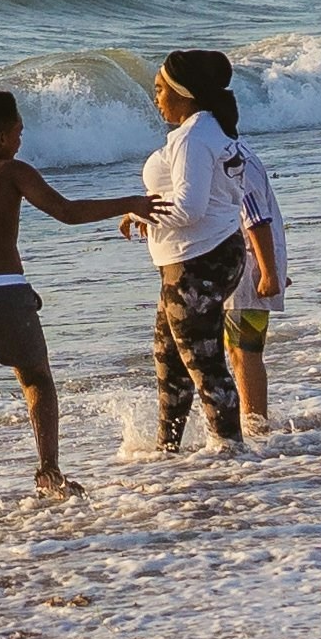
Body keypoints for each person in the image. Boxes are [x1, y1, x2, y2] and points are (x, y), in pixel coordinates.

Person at [0, 90, 138, 503]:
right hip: (4, 291)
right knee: (37, 380)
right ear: (2, 137)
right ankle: (49, 473)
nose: (22, 139)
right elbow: (67, 211)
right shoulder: (11, 171)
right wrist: (130, 202)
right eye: (19, 132)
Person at [128, 60, 263, 451]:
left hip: (198, 260)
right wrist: (145, 209)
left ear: (184, 92)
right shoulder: (208, 130)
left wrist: (139, 208)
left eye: (160, 89)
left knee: (204, 364)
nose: (156, 98)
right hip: (203, 257)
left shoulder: (193, 137)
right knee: (170, 360)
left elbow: (190, 209)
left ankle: (230, 451)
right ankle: (168, 451)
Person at [167, 48, 297, 435]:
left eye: (160, 89)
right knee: (239, 349)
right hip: (248, 262)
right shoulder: (225, 148)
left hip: (248, 266)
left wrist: (270, 272)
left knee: (246, 350)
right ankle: (251, 424)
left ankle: (255, 426)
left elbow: (255, 215)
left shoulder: (226, 153)